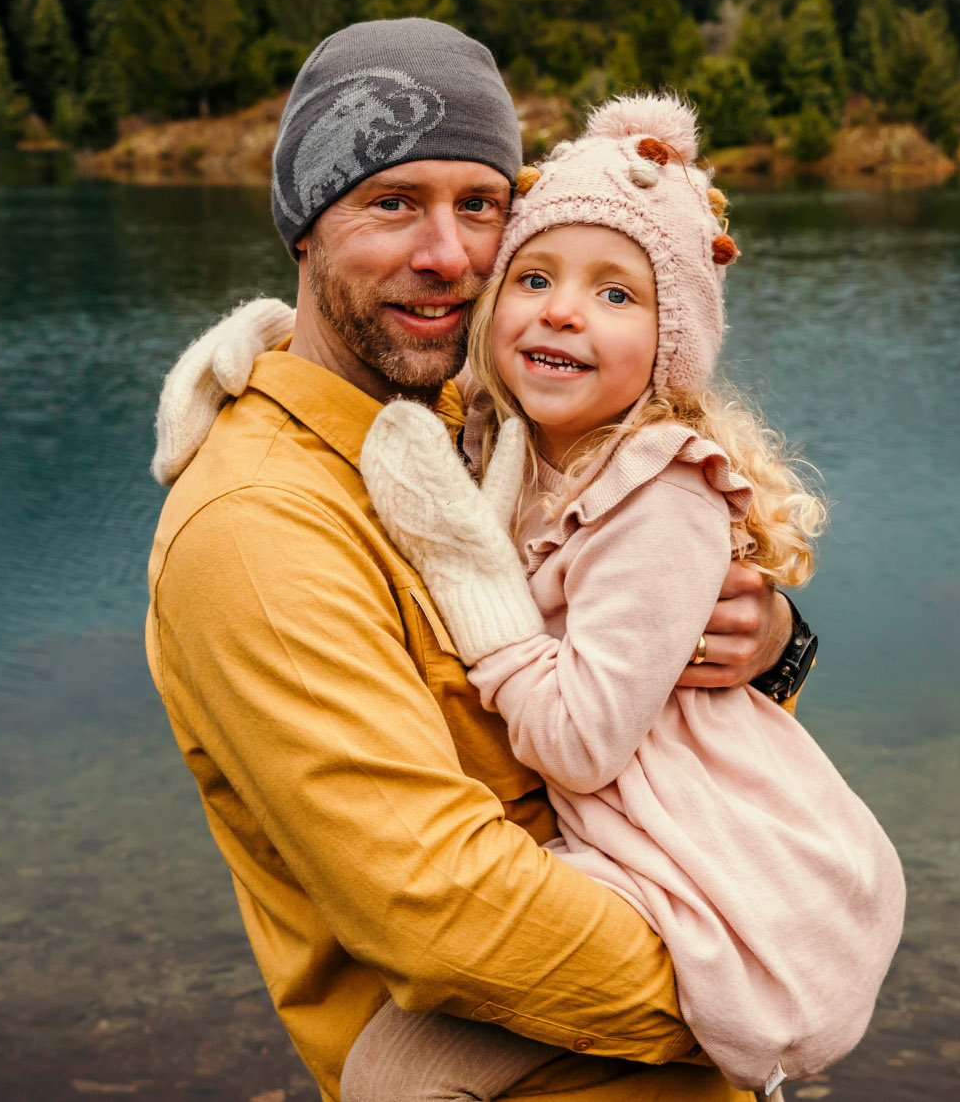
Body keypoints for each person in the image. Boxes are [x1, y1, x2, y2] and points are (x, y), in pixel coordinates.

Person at [145, 19, 814, 1102]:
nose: (448, 255)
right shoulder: (258, 528)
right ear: (303, 227)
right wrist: (747, 991)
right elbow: (443, 913)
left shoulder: (490, 423)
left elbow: (659, 715)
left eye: (480, 203)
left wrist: (769, 645)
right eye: (392, 202)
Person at [338, 96, 904, 1102]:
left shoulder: (657, 489)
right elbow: (350, 386)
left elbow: (580, 741)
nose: (562, 310)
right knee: (392, 1066)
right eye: (537, 277)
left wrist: (479, 599)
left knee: (394, 1072)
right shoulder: (510, 443)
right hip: (622, 836)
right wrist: (249, 355)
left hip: (698, 859)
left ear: (667, 346)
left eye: (615, 295)